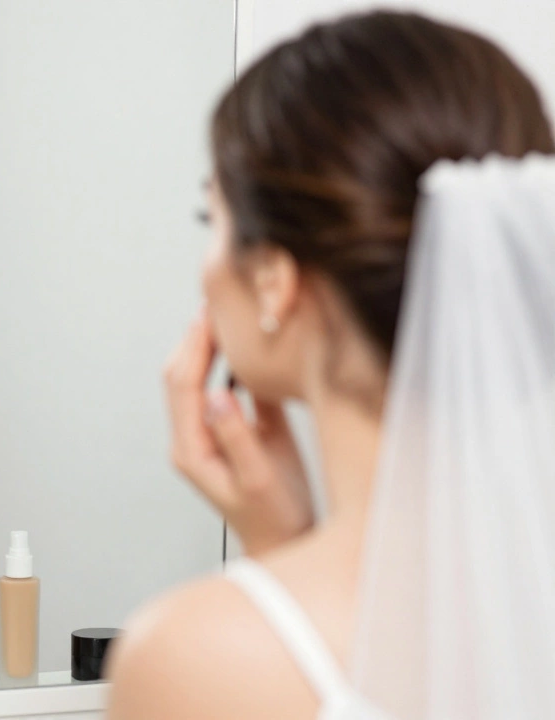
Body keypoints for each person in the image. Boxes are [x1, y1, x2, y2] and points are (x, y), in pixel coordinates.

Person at [108, 11, 555, 719]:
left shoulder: (201, 658)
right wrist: (285, 547)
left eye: (212, 221)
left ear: (273, 281)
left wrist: (277, 574)